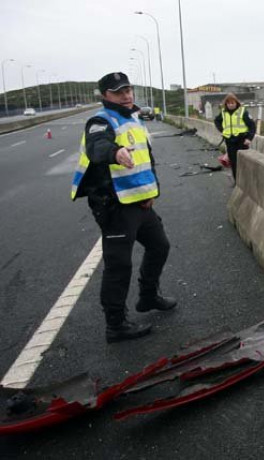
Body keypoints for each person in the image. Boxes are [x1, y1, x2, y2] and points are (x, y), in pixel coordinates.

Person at [71, 72, 177, 344]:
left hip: (140, 201)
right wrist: (115, 152)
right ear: (106, 96)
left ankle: (148, 296)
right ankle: (115, 324)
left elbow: (146, 161)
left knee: (159, 246)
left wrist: (151, 193)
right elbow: (98, 147)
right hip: (115, 205)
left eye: (128, 89)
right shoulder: (100, 121)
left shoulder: (134, 118)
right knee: (119, 265)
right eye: (118, 92)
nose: (126, 95)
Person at [214, 93, 256, 181]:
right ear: (226, 104)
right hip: (229, 141)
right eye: (228, 103)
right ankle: (237, 182)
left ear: (236, 103)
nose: (231, 105)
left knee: (244, 162)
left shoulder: (242, 112)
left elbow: (252, 126)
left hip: (241, 140)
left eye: (232, 103)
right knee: (233, 163)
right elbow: (217, 121)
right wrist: (222, 130)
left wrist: (249, 139)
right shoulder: (223, 113)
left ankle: (246, 181)